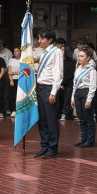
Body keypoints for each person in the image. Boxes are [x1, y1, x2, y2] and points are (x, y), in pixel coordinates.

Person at [35, 29, 63, 158]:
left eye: (42, 38)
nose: (39, 41)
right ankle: (44, 145)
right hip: (40, 88)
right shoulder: (43, 52)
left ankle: (53, 147)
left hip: (49, 88)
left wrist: (53, 92)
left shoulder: (56, 52)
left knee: (51, 119)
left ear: (50, 39)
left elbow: (58, 73)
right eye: (39, 38)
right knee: (42, 119)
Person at [72, 48, 97, 148]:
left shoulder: (91, 70)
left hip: (86, 92)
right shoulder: (78, 69)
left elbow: (93, 86)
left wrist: (89, 100)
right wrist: (72, 98)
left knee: (88, 118)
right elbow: (74, 84)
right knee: (81, 118)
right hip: (78, 93)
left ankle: (90, 140)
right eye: (79, 56)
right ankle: (83, 138)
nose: (79, 58)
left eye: (82, 56)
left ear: (88, 58)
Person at [7, 47, 21, 117]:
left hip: (20, 80)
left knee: (19, 95)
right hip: (13, 80)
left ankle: (19, 109)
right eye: (14, 51)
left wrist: (14, 72)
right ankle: (13, 110)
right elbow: (9, 71)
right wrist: (11, 80)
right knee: (12, 96)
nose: (15, 52)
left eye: (17, 51)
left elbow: (22, 72)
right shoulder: (11, 60)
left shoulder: (22, 60)